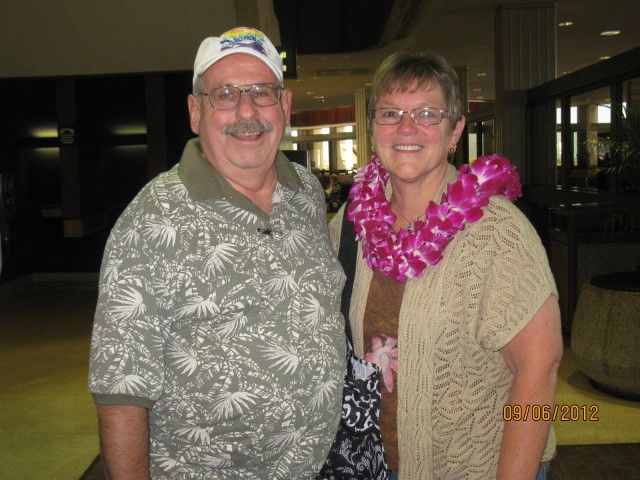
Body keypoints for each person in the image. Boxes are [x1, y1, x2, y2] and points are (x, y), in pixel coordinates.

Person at [88, 27, 346, 479]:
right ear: (195, 112)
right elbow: (121, 393)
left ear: (285, 107)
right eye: (224, 95)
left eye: (262, 92)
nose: (246, 111)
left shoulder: (304, 192)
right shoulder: (151, 220)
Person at [328, 51, 563, 480]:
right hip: (374, 463)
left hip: (475, 467)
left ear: (455, 130)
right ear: (373, 128)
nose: (406, 128)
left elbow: (539, 368)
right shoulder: (351, 221)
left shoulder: (496, 232)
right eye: (391, 113)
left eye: (426, 114)